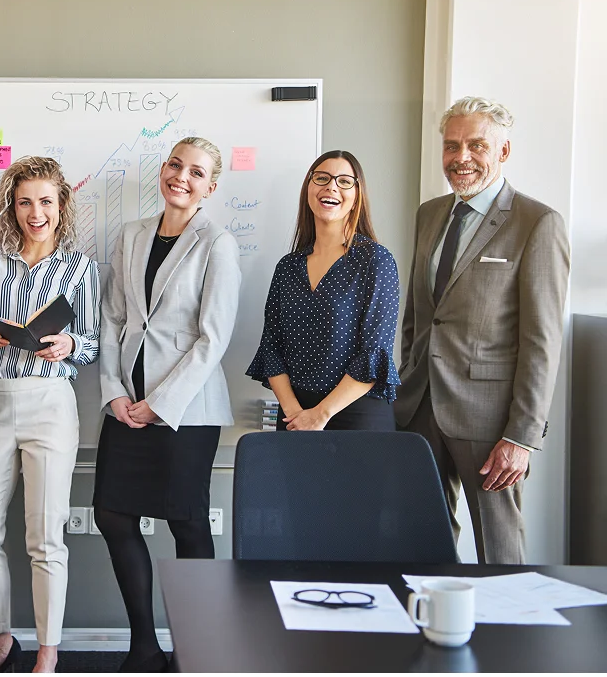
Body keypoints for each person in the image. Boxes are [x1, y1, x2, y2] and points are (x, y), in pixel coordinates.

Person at [394, 97, 570, 564]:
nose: (461, 158)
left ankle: (508, 634)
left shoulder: (538, 223)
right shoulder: (429, 214)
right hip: (418, 406)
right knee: (420, 534)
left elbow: (542, 341)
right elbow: (419, 313)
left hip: (490, 421)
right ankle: (430, 625)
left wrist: (522, 435)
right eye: (452, 146)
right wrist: (407, 375)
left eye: (476, 145)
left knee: (499, 545)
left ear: (504, 151)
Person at [94, 137, 241, 672]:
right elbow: (112, 318)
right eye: (175, 165)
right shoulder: (130, 234)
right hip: (124, 406)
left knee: (187, 523)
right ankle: (143, 645)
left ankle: (197, 649)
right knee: (112, 514)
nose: (182, 177)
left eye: (196, 172)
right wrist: (114, 391)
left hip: (186, 412)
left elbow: (213, 338)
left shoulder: (217, 243)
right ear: (163, 170)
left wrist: (159, 404)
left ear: (211, 186)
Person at [0, 156, 100, 673]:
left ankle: (47, 651)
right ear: (10, 206)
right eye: (24, 202)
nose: (34, 212)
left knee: (45, 537)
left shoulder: (79, 266)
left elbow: (91, 343)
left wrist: (68, 344)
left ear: (61, 206)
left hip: (50, 405)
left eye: (45, 201)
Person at [245, 150, 400, 430]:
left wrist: (320, 414)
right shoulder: (288, 267)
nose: (331, 187)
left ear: (357, 197)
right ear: (308, 189)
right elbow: (271, 349)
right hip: (294, 417)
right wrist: (295, 412)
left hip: (356, 416)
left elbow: (374, 355)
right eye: (322, 178)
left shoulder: (376, 260)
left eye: (344, 181)